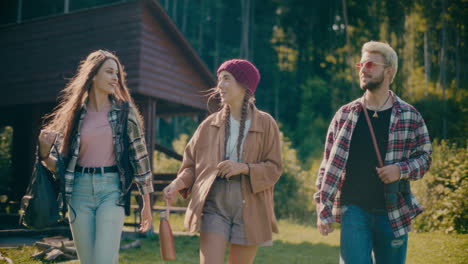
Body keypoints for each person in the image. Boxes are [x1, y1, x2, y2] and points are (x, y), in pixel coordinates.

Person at [315, 41, 432, 264]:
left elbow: (425, 157)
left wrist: (400, 169)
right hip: (353, 211)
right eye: (361, 64)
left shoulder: (410, 115)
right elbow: (326, 164)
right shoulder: (345, 115)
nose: (362, 69)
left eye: (370, 64)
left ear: (389, 71)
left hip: (393, 211)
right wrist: (322, 205)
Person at [38, 50, 153, 264]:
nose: (115, 78)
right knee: (88, 261)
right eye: (109, 72)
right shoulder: (73, 115)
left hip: (111, 192)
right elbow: (60, 166)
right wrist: (44, 154)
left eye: (117, 74)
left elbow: (141, 159)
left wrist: (146, 202)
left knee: (103, 261)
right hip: (78, 194)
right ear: (93, 75)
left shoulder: (124, 113)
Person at [163, 59, 282, 264]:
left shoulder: (266, 123)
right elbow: (192, 165)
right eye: (219, 79)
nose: (219, 86)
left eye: (226, 79)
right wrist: (177, 183)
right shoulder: (208, 125)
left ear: (244, 85)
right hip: (214, 203)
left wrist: (243, 168)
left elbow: (274, 168)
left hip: (251, 206)